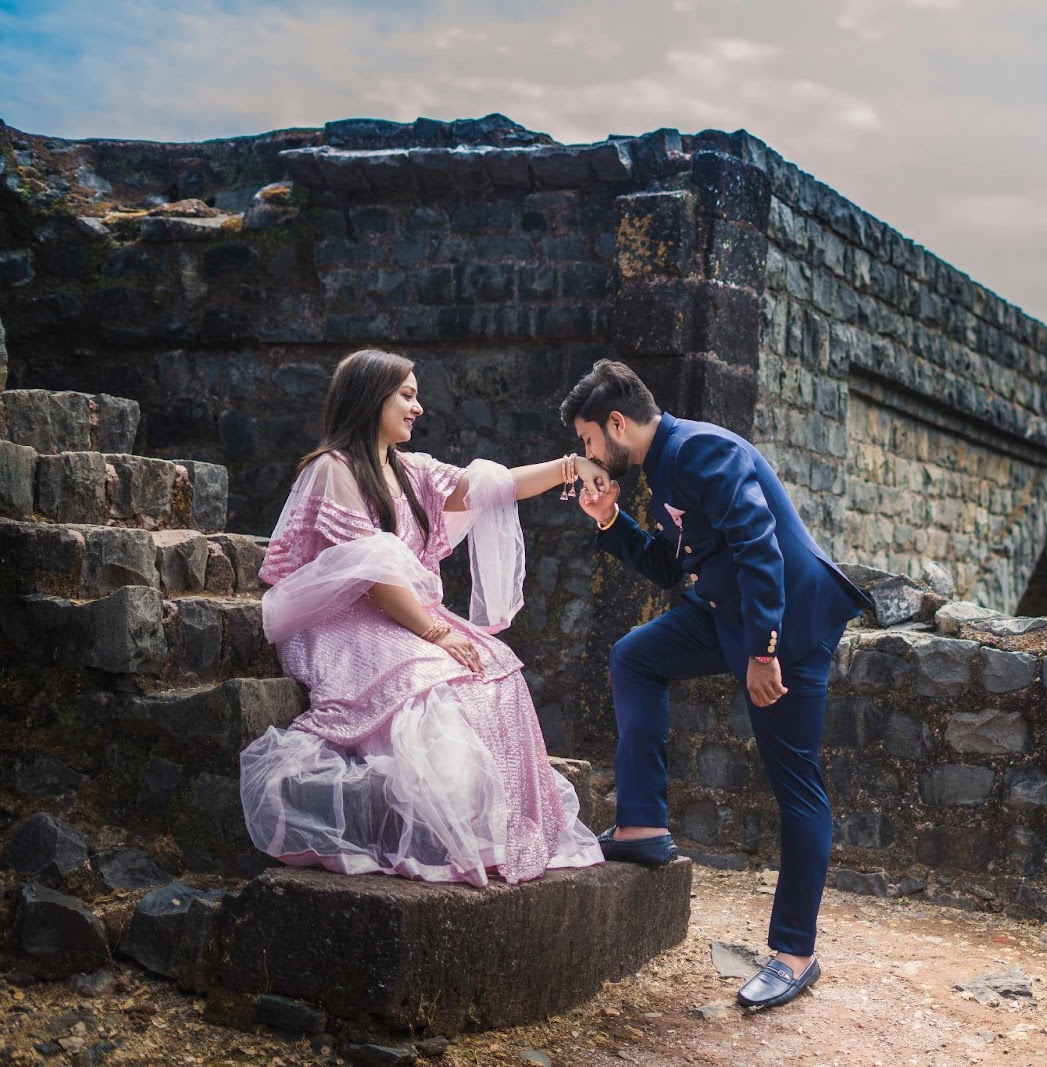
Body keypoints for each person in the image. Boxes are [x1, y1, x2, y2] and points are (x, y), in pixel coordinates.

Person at [563, 359, 870, 1011]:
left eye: (589, 440)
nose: (587, 454)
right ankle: (643, 826)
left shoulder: (700, 449)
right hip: (725, 613)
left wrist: (762, 651)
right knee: (634, 657)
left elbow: (760, 548)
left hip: (787, 624)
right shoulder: (661, 465)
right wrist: (610, 522)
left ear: (617, 423)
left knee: (796, 783)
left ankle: (794, 953)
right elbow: (674, 567)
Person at [239, 347, 605, 885]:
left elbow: (493, 486)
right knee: (436, 676)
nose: (419, 408)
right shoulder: (332, 469)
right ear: (371, 400)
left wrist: (573, 467)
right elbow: (371, 571)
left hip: (401, 614)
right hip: (346, 622)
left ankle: (487, 829)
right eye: (407, 395)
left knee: (495, 665)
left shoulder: (408, 469)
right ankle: (434, 821)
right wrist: (435, 632)